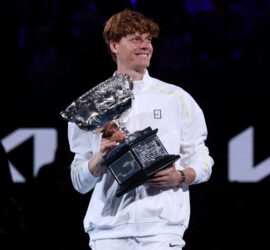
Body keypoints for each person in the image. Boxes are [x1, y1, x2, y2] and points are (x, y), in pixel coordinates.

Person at [66, 8, 214, 250]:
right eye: (136, 39)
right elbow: (79, 182)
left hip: (161, 232)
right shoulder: (90, 107)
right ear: (114, 45)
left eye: (149, 40)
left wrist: (180, 177)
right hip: (107, 234)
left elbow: (202, 159)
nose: (146, 45)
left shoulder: (176, 98)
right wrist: (99, 158)